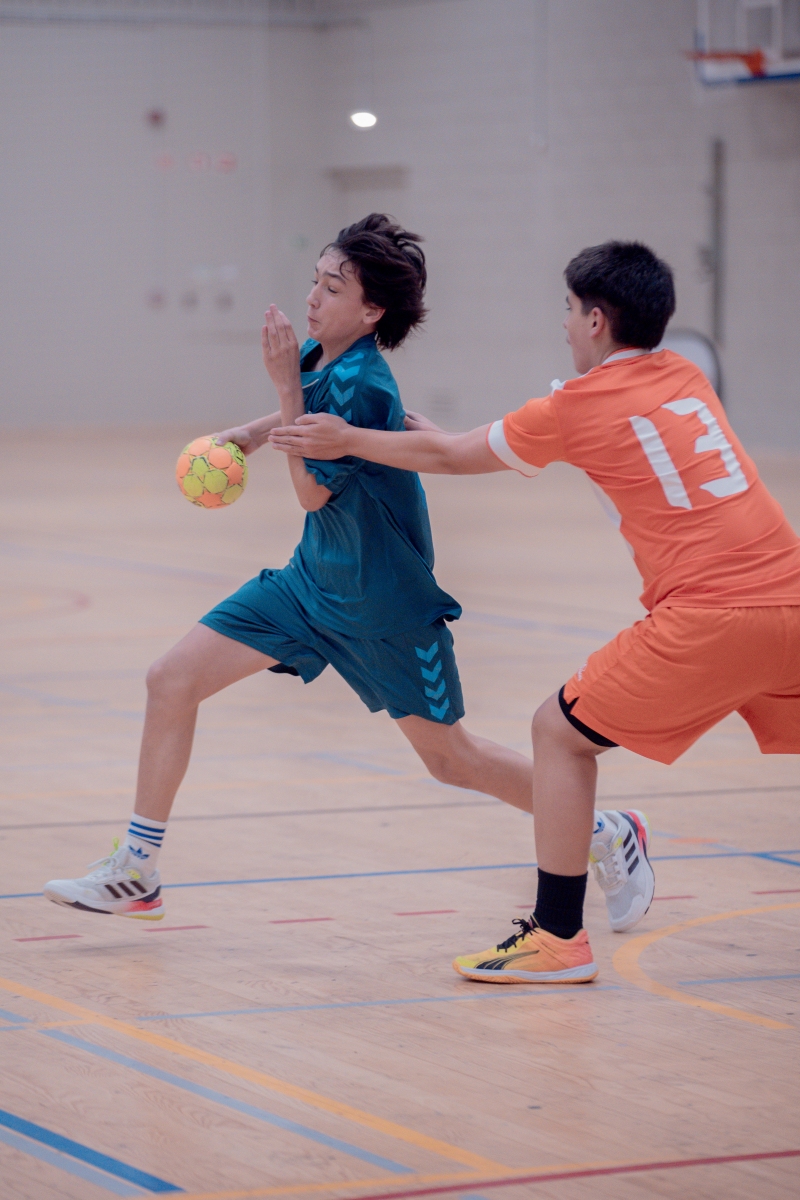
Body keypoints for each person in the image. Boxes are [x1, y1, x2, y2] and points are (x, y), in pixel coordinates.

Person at [269, 239, 800, 984]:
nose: (564, 323)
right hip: (792, 598)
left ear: (596, 320)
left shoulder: (579, 404)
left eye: (569, 309)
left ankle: (557, 939)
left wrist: (349, 438)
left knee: (558, 733)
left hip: (712, 614)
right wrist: (442, 439)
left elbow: (459, 460)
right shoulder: (685, 376)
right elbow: (480, 447)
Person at [44, 213, 546, 921]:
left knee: (451, 760)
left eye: (332, 287)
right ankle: (137, 868)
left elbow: (311, 492)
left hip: (383, 606)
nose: (313, 297)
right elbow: (305, 402)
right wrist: (249, 434)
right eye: (315, 279)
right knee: (171, 680)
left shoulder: (364, 384)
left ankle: (602, 830)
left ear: (371, 311)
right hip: (311, 585)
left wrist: (282, 391)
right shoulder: (323, 353)